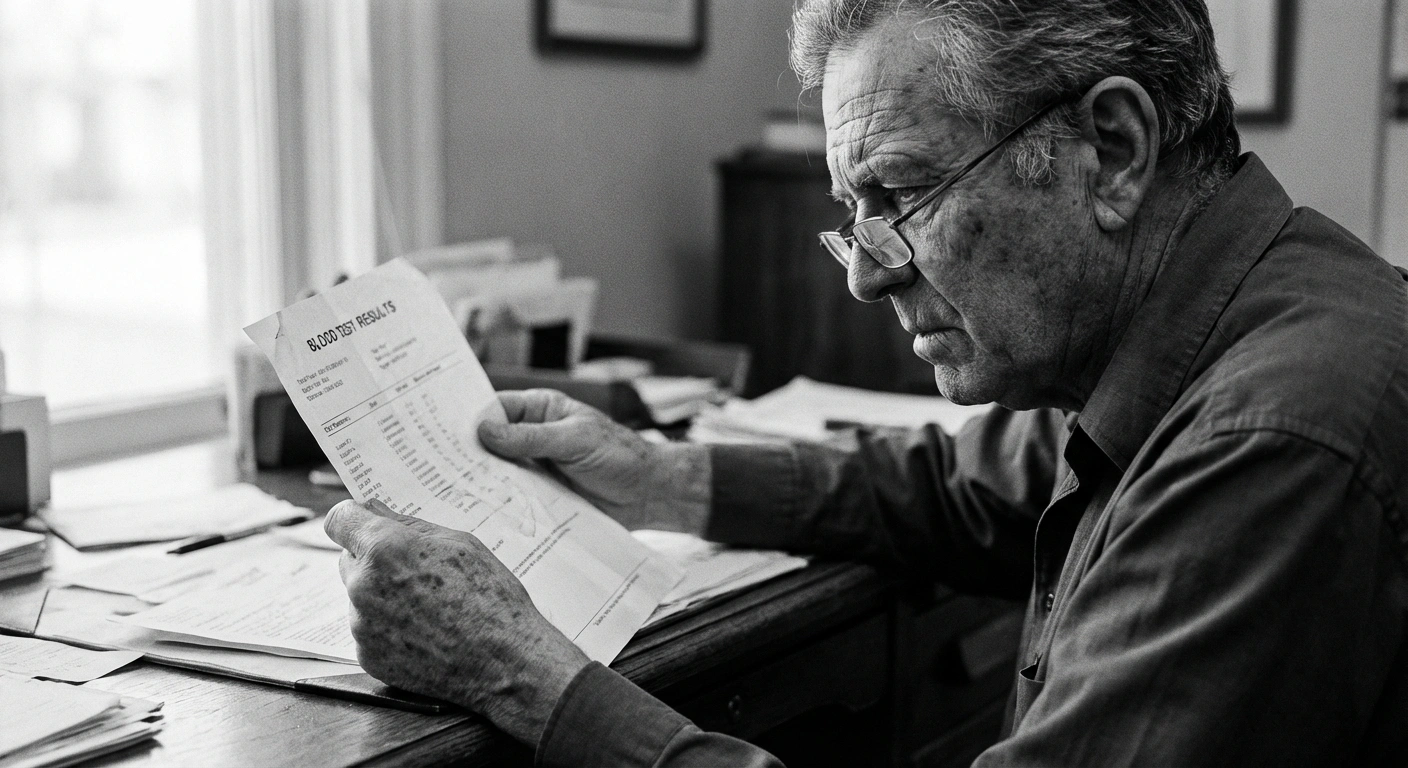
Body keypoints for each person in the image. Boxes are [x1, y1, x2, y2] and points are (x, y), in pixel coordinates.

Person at [323, 0, 1408, 764]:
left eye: (901, 193)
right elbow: (962, 486)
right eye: (854, 216)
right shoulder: (1225, 329)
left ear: (1112, 149)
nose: (868, 276)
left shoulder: (1272, 435)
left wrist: (530, 678)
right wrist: (663, 478)